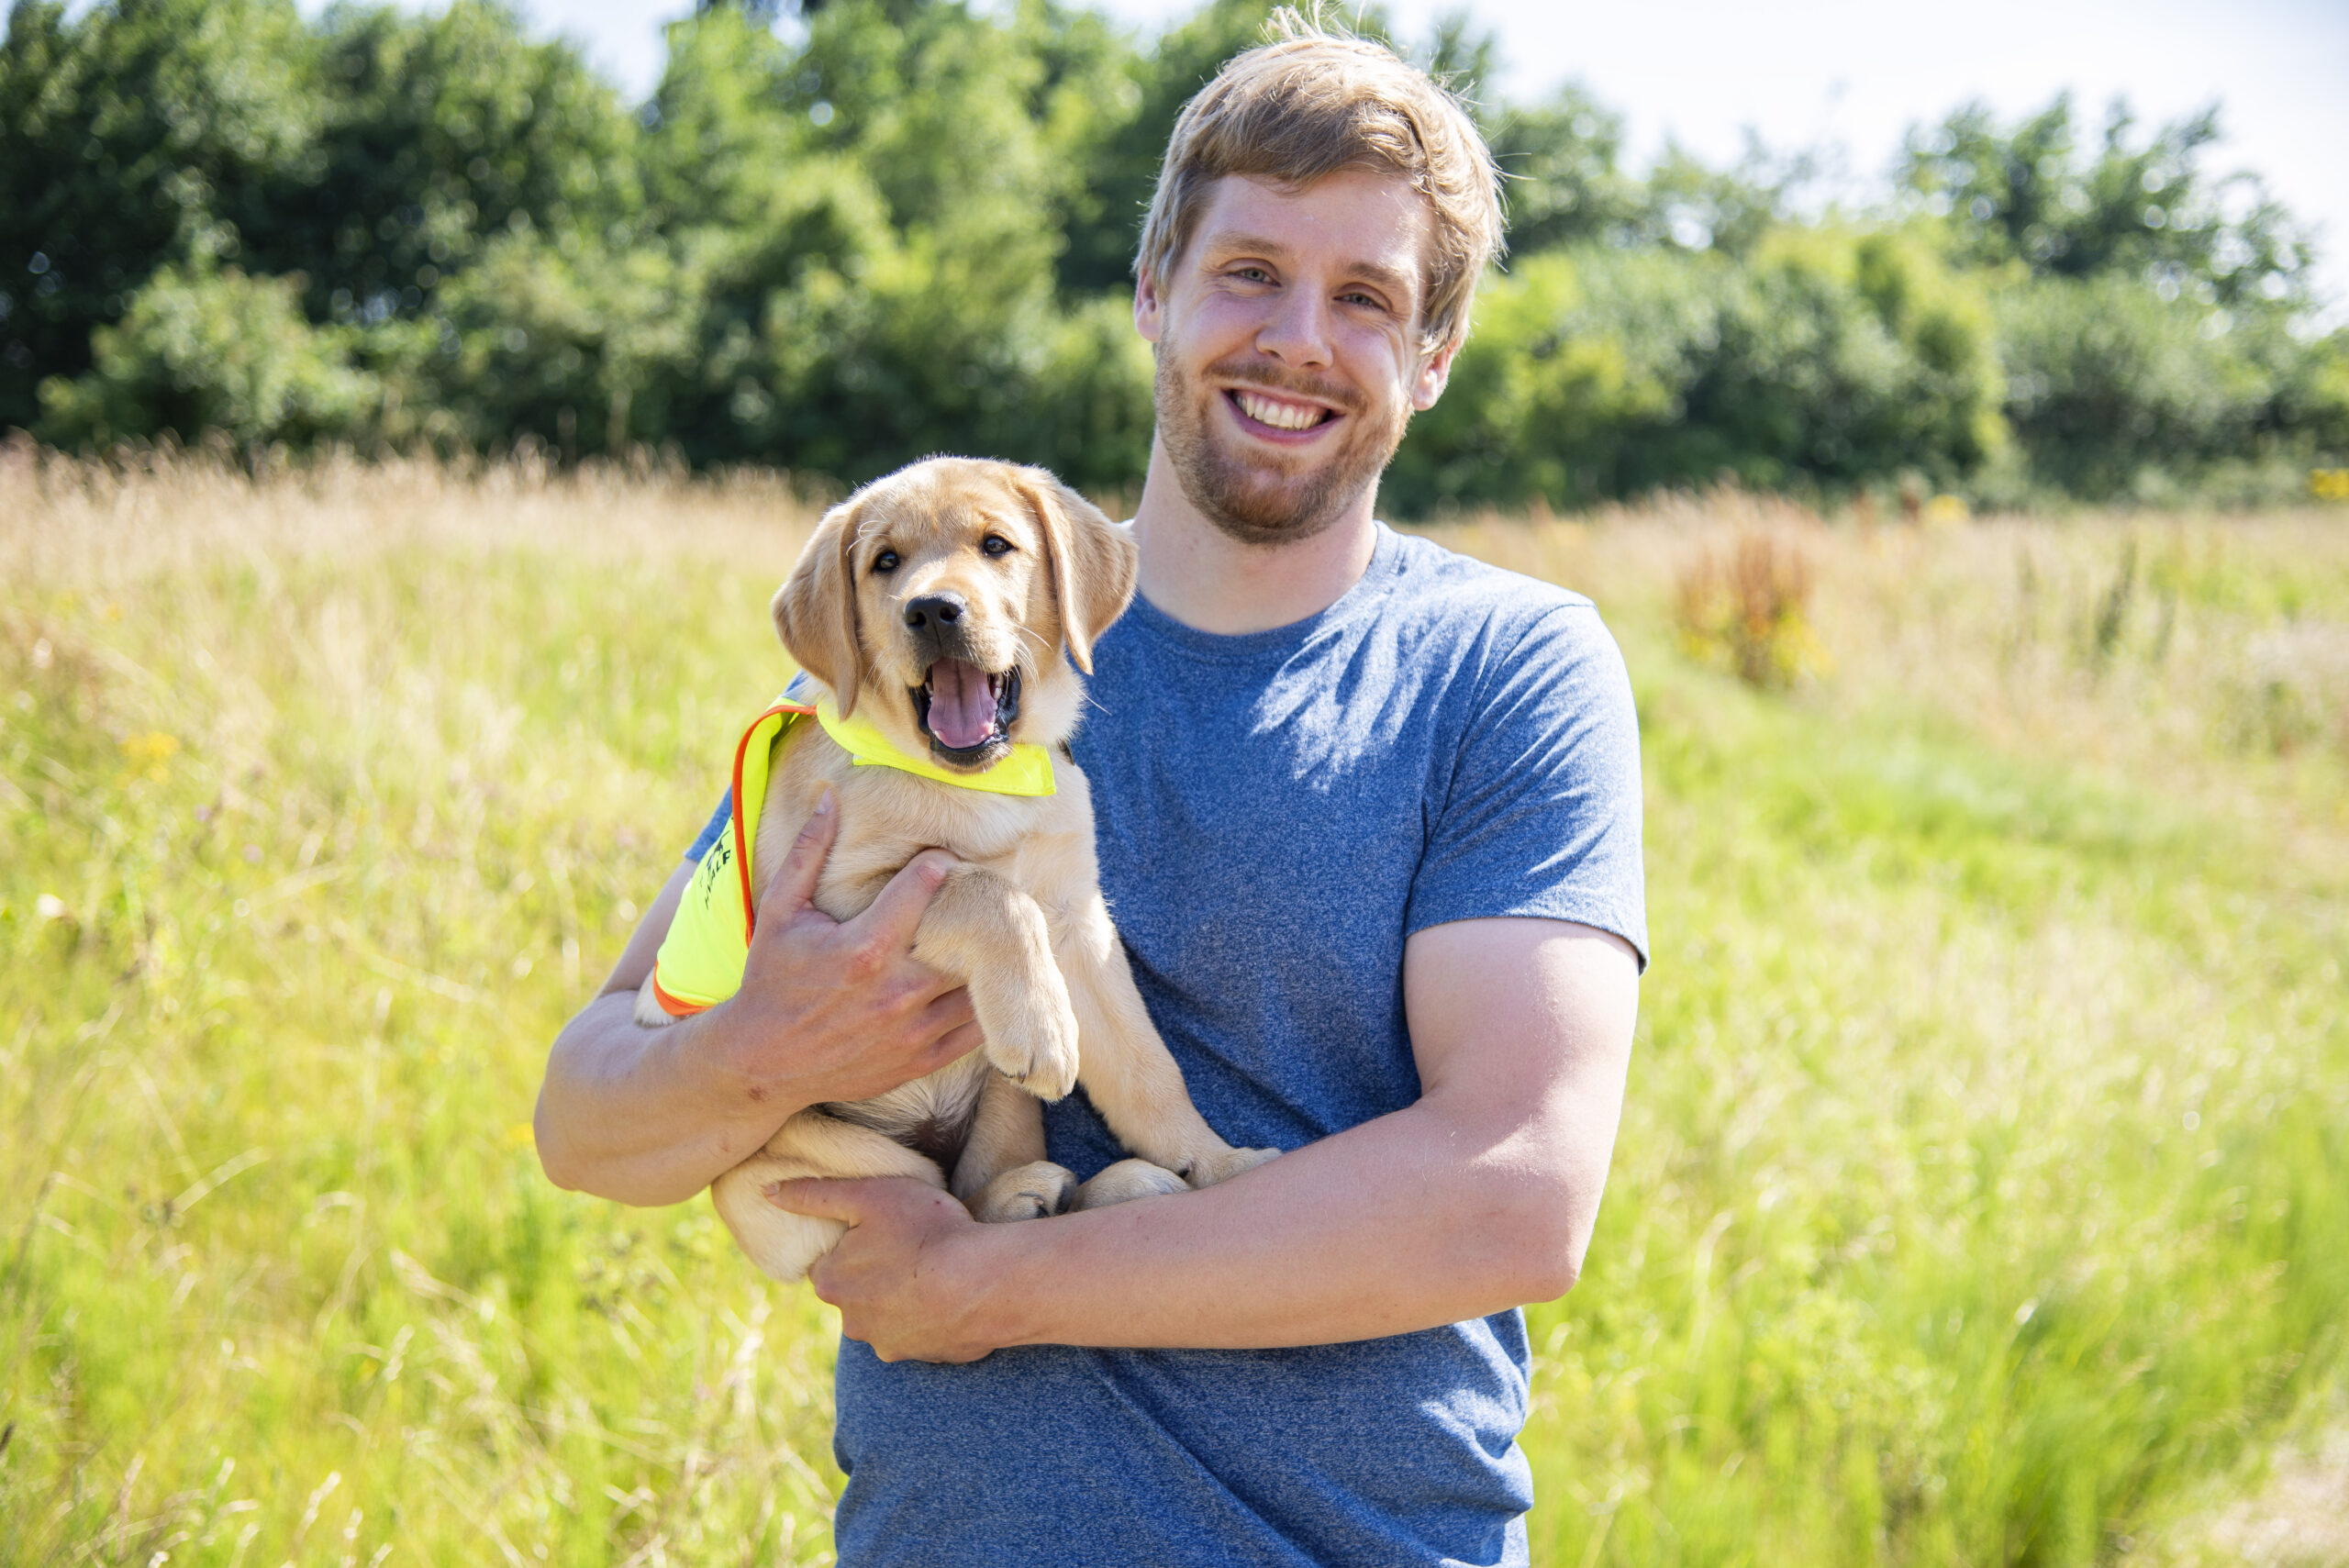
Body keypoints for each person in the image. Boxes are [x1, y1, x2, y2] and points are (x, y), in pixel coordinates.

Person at [535, 16, 1646, 1565]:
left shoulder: (1505, 668)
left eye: (1367, 298)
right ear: (1152, 292)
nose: (1297, 339)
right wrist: (764, 1045)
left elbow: (1514, 1198)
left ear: (1434, 357)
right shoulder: (891, 685)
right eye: (1248, 271)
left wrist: (986, 1285)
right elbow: (586, 1120)